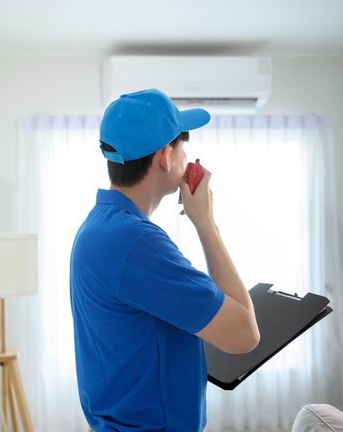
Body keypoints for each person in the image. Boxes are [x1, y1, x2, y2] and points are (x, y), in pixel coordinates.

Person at [70, 89, 260, 431]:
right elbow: (245, 334)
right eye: (183, 146)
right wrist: (206, 222)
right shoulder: (136, 242)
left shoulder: (97, 227)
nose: (187, 156)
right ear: (165, 157)